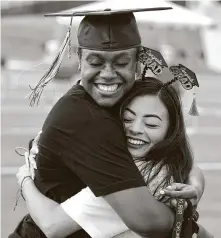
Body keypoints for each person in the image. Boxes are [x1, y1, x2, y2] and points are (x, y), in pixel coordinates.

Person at [9, 7, 204, 238]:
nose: (108, 73)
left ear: (138, 64)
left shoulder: (130, 101)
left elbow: (176, 154)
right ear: (80, 61)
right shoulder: (85, 120)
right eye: (96, 62)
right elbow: (149, 221)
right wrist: (186, 218)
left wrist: (195, 187)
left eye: (121, 62)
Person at [16, 78, 212, 238]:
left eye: (151, 124)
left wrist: (24, 177)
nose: (135, 129)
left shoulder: (132, 181)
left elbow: (52, 225)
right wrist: (196, 186)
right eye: (127, 119)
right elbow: (193, 168)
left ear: (171, 131)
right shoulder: (171, 163)